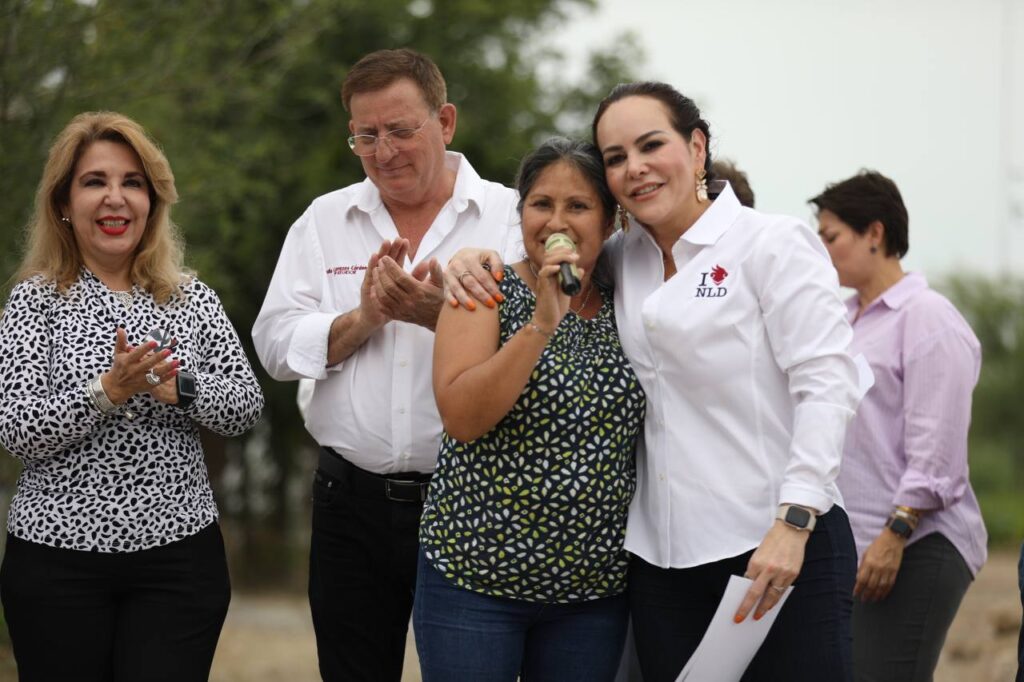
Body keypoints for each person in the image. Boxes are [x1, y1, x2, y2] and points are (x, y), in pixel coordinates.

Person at [446, 81, 862, 681]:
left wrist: (793, 522)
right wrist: (474, 259)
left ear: (696, 148)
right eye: (616, 158)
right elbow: (546, 253)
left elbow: (827, 382)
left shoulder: (771, 244)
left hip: (774, 544)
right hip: (662, 564)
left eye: (650, 145)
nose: (634, 168)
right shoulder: (623, 257)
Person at [251, 48, 520, 682]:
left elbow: (544, 347)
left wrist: (441, 316)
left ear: (446, 122)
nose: (384, 151)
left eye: (401, 130)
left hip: (473, 499)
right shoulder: (324, 219)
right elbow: (273, 344)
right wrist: (362, 319)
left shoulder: (511, 216)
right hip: (349, 503)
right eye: (365, 135)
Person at [0, 111, 264, 681]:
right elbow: (17, 431)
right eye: (95, 181)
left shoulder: (190, 297)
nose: (115, 198)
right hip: (56, 563)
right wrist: (107, 391)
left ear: (152, 201)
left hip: (178, 562)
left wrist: (182, 388)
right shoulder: (34, 302)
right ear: (64, 203)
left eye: (132, 182)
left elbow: (245, 407)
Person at [413, 137, 645, 681]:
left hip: (592, 596)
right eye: (541, 204)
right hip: (475, 581)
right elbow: (463, 419)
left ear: (610, 220)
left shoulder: (629, 298)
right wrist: (543, 322)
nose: (555, 220)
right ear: (520, 214)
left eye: (578, 206)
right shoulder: (484, 287)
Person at [810, 170, 987, 682]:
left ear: (875, 233)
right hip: (857, 543)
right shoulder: (840, 320)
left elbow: (938, 448)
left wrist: (895, 534)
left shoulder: (928, 317)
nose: (822, 249)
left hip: (915, 542)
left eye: (831, 236)